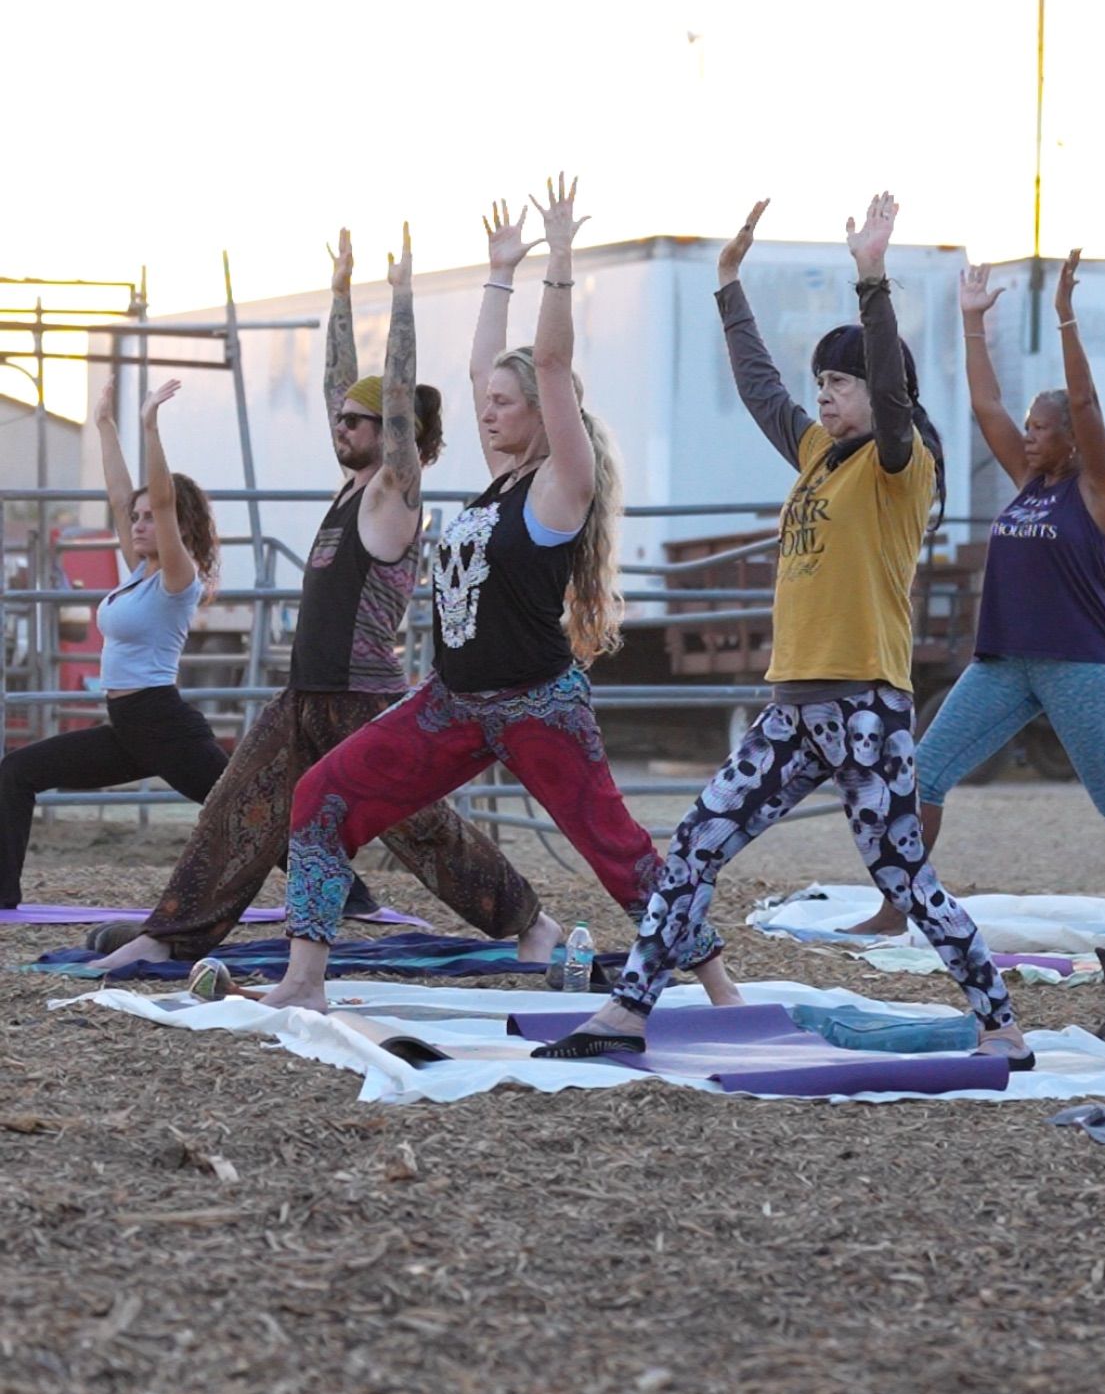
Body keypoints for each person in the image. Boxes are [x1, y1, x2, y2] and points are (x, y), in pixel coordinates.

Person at [536, 193, 1033, 1067]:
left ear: (880, 393)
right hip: (793, 706)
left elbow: (885, 382)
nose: (826, 397)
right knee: (695, 844)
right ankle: (628, 1009)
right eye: (824, 385)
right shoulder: (817, 456)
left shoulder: (899, 464)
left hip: (865, 704)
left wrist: (872, 277)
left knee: (899, 875)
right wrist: (729, 287)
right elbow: (762, 388)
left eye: (839, 384)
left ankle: (998, 1017)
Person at [262, 179, 742, 1013]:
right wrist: (497, 271)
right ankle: (304, 985)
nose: (487, 411)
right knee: (320, 799)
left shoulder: (563, 485)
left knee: (618, 852)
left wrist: (556, 262)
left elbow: (548, 363)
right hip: (452, 703)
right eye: (484, 404)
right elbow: (487, 364)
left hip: (536, 706)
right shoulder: (499, 485)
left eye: (505, 404)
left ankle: (722, 991)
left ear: (546, 414)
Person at [91, 225, 551, 973]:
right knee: (236, 809)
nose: (341, 425)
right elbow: (348, 384)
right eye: (340, 419)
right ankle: (168, 935)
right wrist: (341, 294)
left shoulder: (395, 492)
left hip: (364, 699)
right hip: (306, 693)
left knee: (417, 825)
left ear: (397, 434)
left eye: (356, 421)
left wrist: (402, 299)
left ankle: (531, 923)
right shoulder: (349, 485)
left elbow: (393, 397)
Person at [844, 250, 1105, 1053]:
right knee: (927, 769)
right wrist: (972, 320)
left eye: (1041, 429)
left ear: (1070, 439)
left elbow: (1086, 399)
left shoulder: (1091, 488)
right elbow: (983, 399)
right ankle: (899, 902)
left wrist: (1063, 315)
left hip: (1079, 665)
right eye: (1026, 429)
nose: (1026, 437)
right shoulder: (1026, 484)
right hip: (1003, 663)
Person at [0, 379, 227, 907]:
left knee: (242, 810)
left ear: (176, 522)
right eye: (138, 519)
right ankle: (2, 897)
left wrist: (150, 427)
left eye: (152, 518)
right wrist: (104, 425)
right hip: (127, 727)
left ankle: (344, 894)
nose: (141, 522)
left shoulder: (178, 576)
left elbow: (162, 502)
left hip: (162, 724)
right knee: (15, 773)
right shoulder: (138, 571)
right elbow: (121, 496)